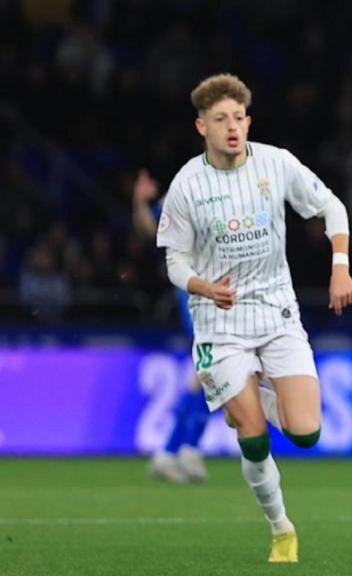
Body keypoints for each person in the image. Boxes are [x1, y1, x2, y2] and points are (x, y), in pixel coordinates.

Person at [156, 73, 352, 561]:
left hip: (276, 311)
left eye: (238, 118)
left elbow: (332, 208)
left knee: (306, 432)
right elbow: (174, 261)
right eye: (220, 119)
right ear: (201, 126)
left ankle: (246, 393)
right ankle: (281, 528)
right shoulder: (187, 184)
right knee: (252, 432)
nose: (232, 127)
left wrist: (340, 269)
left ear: (248, 121)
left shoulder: (276, 163)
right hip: (218, 322)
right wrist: (201, 286)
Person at [132, 168, 211, 483]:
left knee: (207, 374)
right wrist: (139, 202)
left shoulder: (238, 186)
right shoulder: (184, 190)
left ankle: (174, 451)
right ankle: (182, 449)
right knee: (210, 369)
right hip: (195, 294)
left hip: (223, 294)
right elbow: (152, 231)